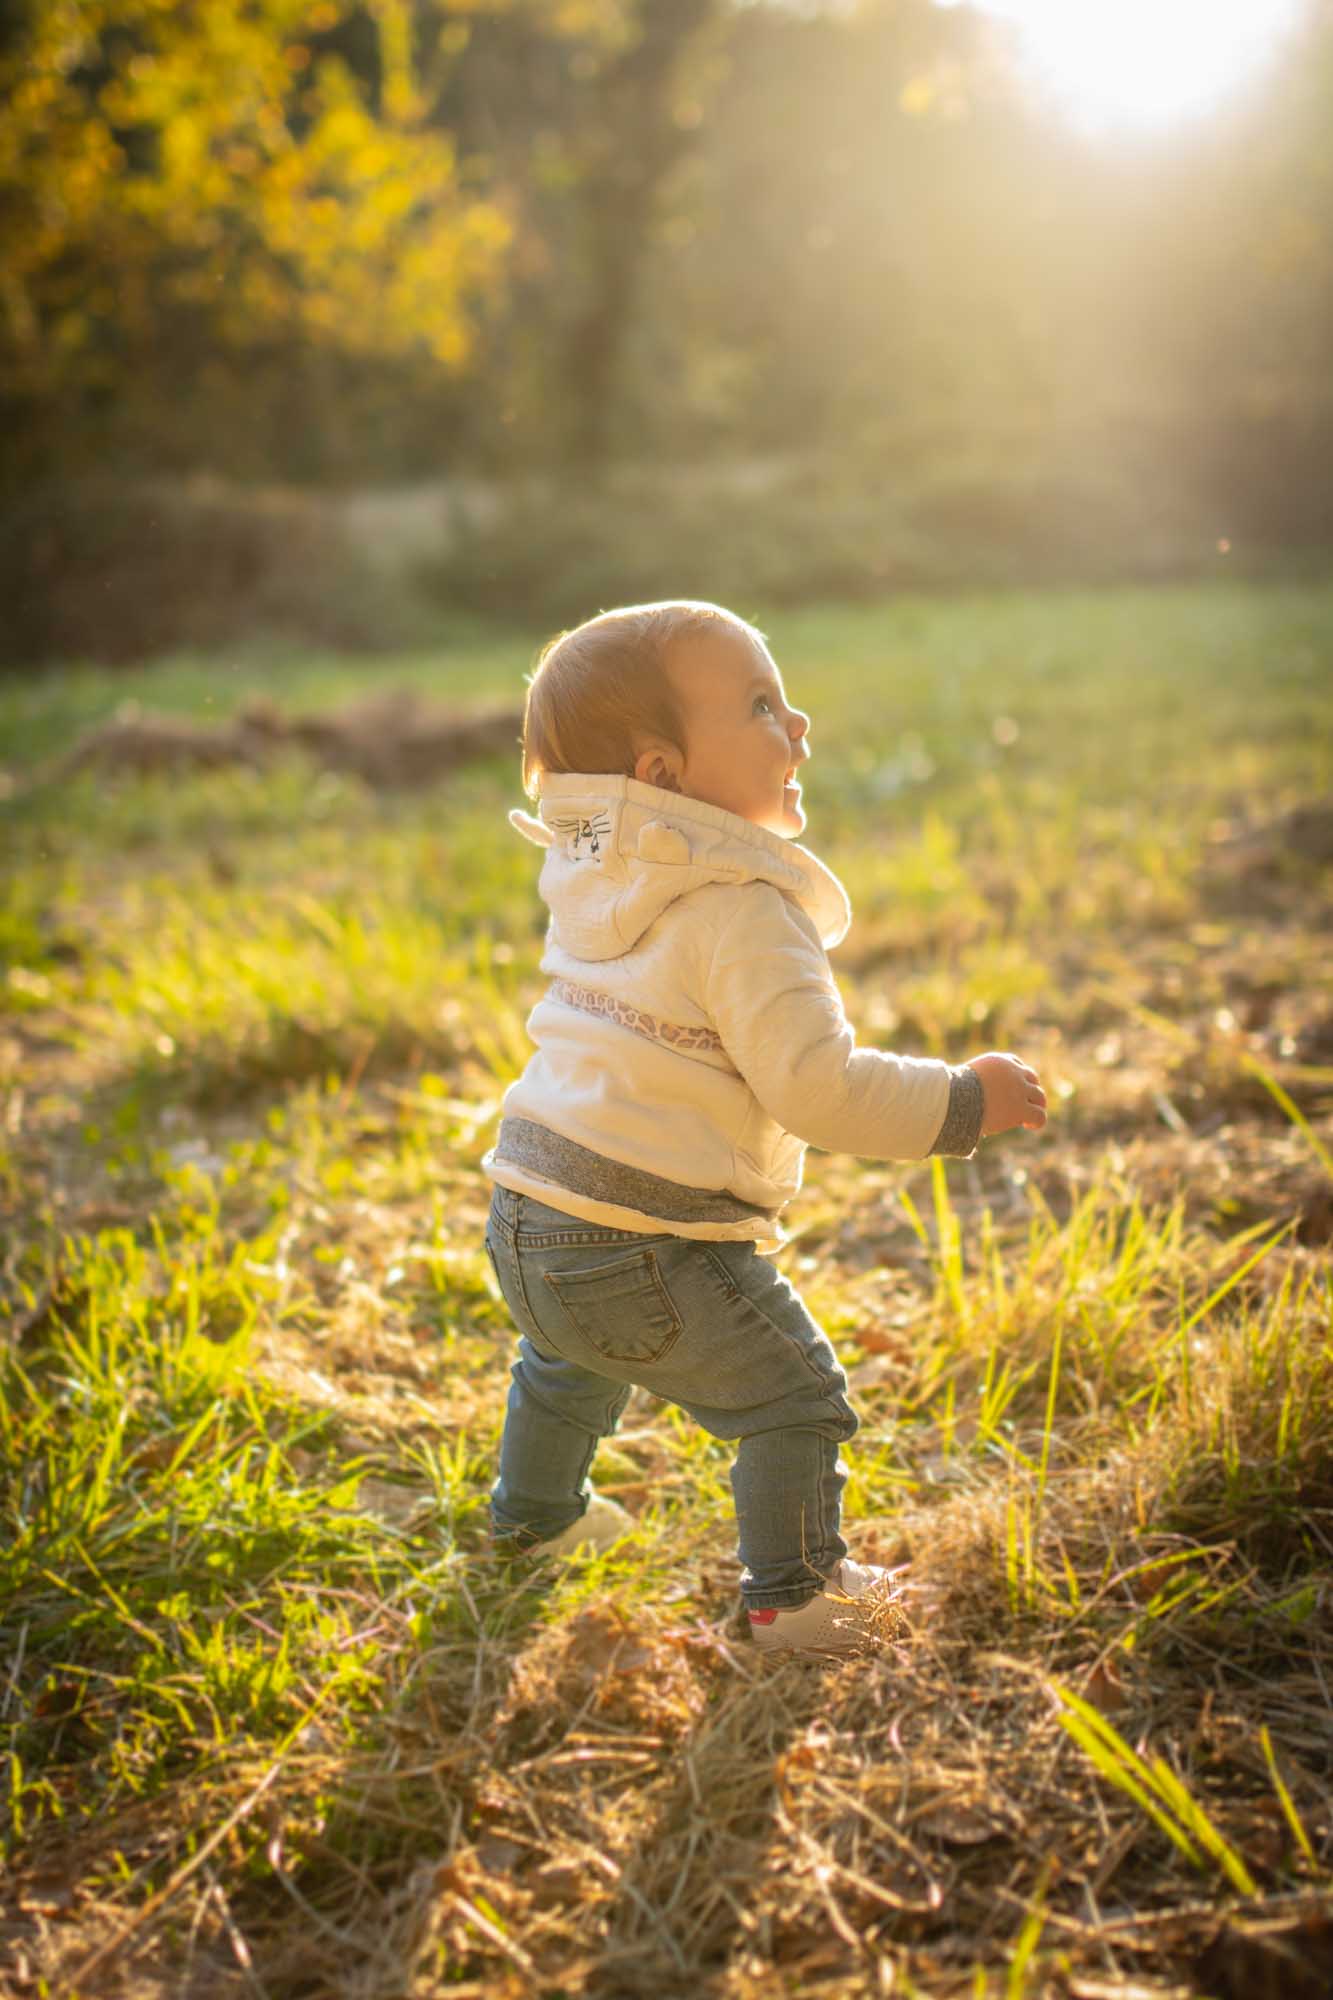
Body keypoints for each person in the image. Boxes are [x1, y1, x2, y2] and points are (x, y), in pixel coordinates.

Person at [480, 600, 1047, 1657]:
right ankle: (794, 1599)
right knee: (794, 1397)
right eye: (757, 704)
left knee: (563, 1359)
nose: (798, 725)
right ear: (659, 773)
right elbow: (816, 1085)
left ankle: (530, 1523)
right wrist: (962, 1100)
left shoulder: (596, 871)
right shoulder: (740, 904)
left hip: (524, 1212)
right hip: (645, 1238)